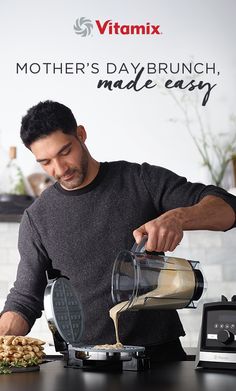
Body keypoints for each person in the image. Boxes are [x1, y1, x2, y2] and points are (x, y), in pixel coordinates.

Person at [0, 100, 236, 363]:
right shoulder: (37, 217)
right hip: (84, 364)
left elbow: (228, 208)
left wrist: (179, 217)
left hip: (159, 358)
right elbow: (24, 299)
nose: (59, 168)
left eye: (65, 152)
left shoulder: (139, 180)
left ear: (81, 134)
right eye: (45, 162)